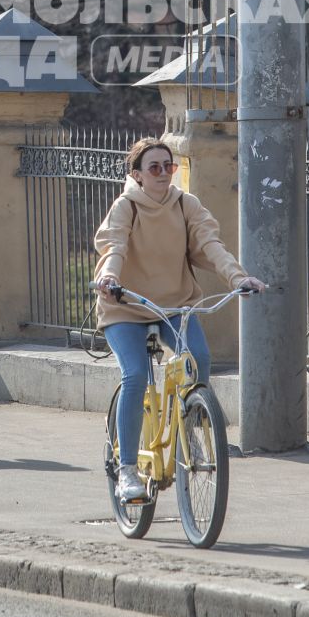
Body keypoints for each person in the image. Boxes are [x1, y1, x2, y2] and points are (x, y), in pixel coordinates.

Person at [94, 138, 266, 504]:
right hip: (126, 305)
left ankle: (191, 435)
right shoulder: (126, 207)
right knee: (136, 375)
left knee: (199, 360)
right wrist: (110, 279)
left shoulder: (186, 204)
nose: (162, 174)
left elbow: (211, 245)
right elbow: (115, 247)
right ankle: (127, 471)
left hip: (173, 305)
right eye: (153, 168)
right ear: (137, 175)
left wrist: (238, 278)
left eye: (168, 166)